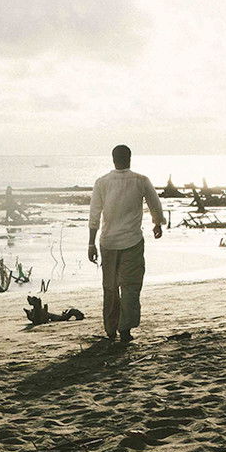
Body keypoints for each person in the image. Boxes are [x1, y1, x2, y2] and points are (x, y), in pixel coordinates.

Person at [88, 145, 165, 343]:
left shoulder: (102, 182)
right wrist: (157, 223)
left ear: (113, 159)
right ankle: (125, 329)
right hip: (132, 241)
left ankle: (111, 329)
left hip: (108, 242)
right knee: (130, 286)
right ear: (129, 158)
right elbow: (155, 204)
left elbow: (94, 214)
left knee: (110, 287)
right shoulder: (141, 180)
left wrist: (91, 243)